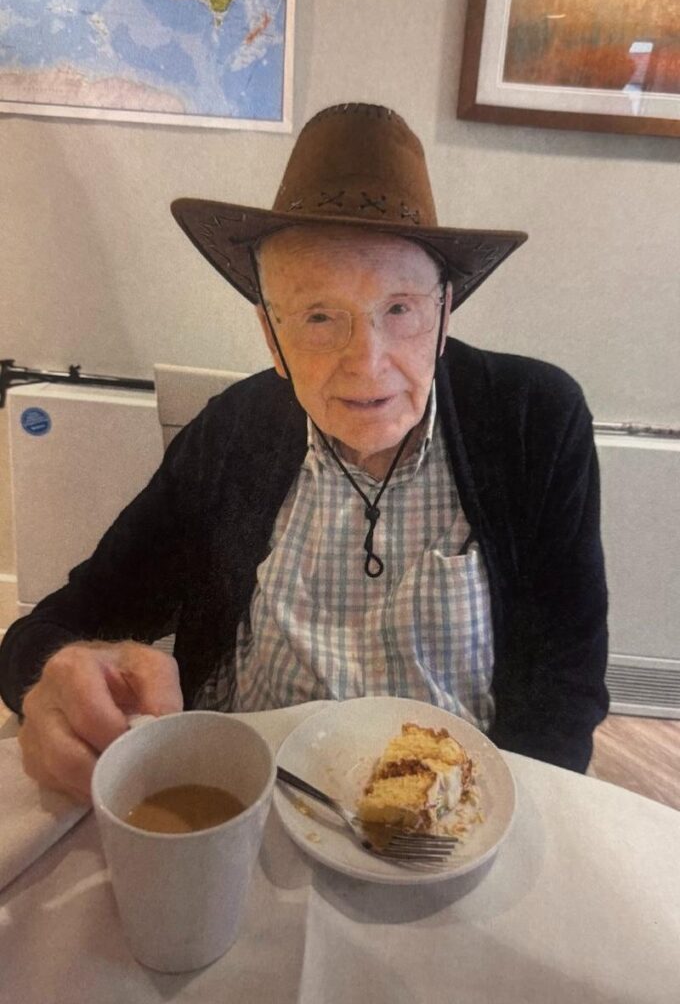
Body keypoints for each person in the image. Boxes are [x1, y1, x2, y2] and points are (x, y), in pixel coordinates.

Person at [0, 103, 608, 802]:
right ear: (271, 337)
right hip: (247, 804)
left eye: (401, 309)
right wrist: (53, 674)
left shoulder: (536, 420)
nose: (367, 363)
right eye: (320, 317)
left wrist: (503, 821)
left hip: (455, 825)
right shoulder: (231, 433)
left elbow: (568, 686)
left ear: (445, 315)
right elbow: (63, 621)